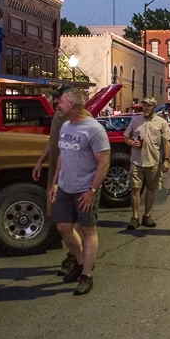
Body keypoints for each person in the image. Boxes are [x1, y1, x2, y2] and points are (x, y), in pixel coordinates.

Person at [48, 88, 110, 295]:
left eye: (62, 102)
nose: (58, 105)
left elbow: (104, 162)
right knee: (63, 227)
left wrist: (92, 189)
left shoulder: (94, 129)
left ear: (72, 105)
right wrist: (55, 182)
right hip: (65, 187)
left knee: (87, 230)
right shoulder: (66, 126)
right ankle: (83, 262)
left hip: (85, 188)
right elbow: (62, 155)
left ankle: (86, 275)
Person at [32, 85, 80, 276]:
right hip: (56, 172)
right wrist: (40, 161)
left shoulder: (77, 120)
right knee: (56, 214)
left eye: (58, 98)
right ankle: (76, 254)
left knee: (69, 219)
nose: (54, 101)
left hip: (69, 174)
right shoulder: (59, 117)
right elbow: (53, 141)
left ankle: (75, 257)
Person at [123, 97, 170, 231]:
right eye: (144, 106)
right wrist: (131, 142)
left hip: (153, 161)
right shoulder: (135, 121)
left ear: (154, 107)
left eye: (148, 106)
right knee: (135, 189)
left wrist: (167, 160)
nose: (145, 108)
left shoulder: (161, 122)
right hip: (136, 160)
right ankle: (135, 217)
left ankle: (147, 215)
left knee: (151, 189)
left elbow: (167, 141)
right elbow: (126, 137)